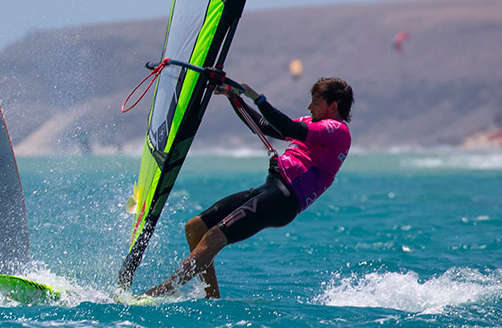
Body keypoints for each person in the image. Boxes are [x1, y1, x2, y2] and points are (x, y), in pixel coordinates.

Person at [142, 76, 353, 298]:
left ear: (333, 106)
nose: (309, 107)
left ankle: (162, 291)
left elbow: (287, 127)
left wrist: (257, 98)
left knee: (215, 236)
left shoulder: (337, 130)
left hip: (284, 198)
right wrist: (234, 98)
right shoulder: (315, 123)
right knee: (195, 227)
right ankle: (212, 297)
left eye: (316, 103)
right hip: (270, 188)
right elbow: (263, 126)